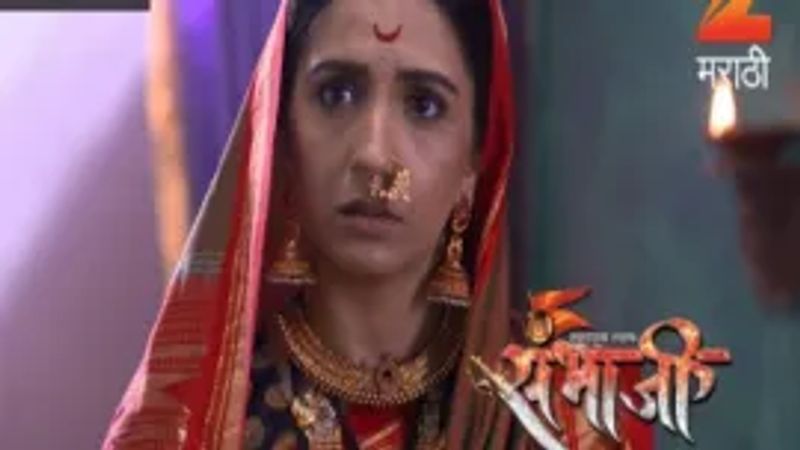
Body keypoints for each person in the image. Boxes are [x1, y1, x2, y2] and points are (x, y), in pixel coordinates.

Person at [104, 0, 651, 448]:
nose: (373, 154)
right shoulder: (187, 427)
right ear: (281, 135)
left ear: (474, 160)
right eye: (336, 94)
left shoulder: (572, 414)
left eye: (424, 105)